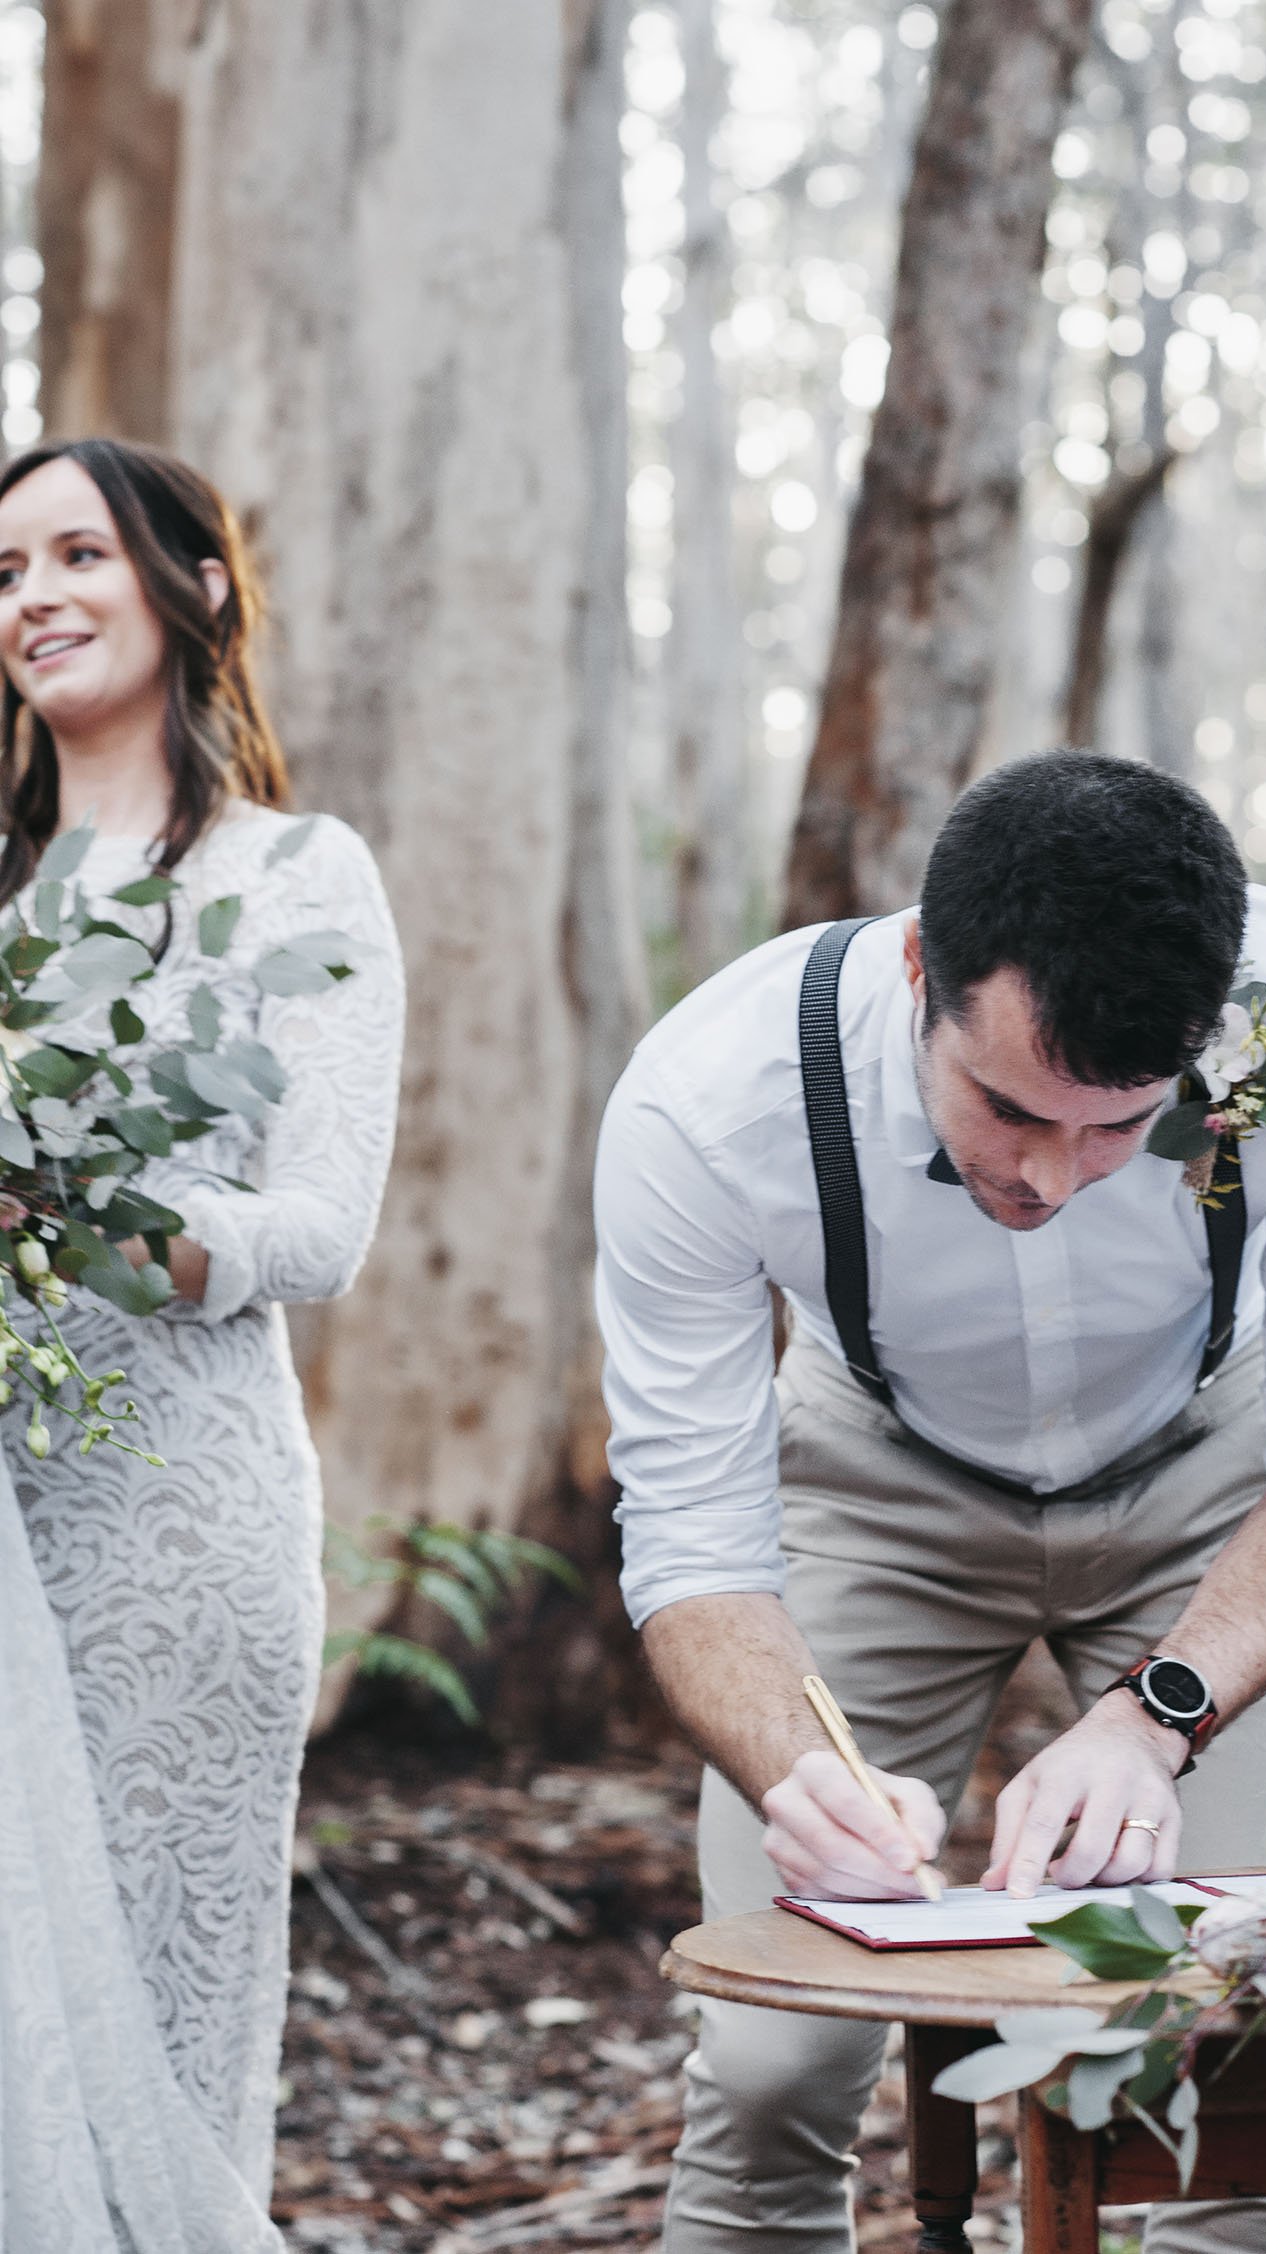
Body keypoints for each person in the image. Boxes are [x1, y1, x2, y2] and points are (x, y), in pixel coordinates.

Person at [594, 751, 1266, 2254]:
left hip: (1218, 1494)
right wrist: (799, 1768)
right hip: (874, 1476)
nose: (1054, 1175)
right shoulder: (706, 1100)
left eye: (1120, 1127)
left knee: (1248, 2050)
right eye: (1008, 1109)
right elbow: (694, 1541)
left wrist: (1155, 1711)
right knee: (776, 2062)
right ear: (923, 964)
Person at [0, 437, 403, 2249]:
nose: (33, 601)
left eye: (75, 553)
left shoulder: (303, 875)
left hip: (180, 1511)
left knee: (159, 2021)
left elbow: (320, 1228)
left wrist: (82, 1210)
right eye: (5, 574)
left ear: (197, 585)